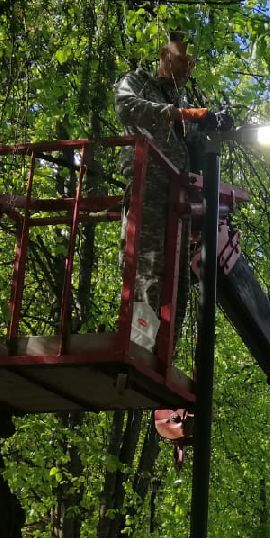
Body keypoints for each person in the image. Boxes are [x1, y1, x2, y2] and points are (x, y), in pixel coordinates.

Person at [114, 33, 206, 350]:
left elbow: (196, 139)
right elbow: (127, 108)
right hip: (149, 186)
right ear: (164, 56)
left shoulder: (181, 101)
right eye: (182, 60)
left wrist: (216, 125)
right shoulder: (138, 83)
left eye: (191, 63)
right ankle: (139, 345)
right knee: (146, 266)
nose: (187, 68)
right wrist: (175, 113)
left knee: (176, 278)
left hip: (177, 197)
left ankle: (163, 352)